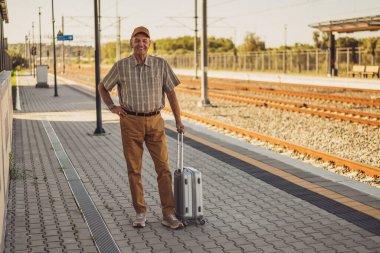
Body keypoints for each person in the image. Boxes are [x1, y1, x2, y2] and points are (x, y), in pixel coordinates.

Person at [98, 26, 184, 229]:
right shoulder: (121, 66)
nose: (141, 44)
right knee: (134, 169)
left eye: (145, 40)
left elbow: (171, 94)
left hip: (155, 121)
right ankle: (140, 212)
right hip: (131, 122)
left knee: (164, 169)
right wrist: (112, 107)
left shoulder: (161, 65)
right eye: (137, 40)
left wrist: (179, 121)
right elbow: (103, 87)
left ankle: (169, 214)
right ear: (131, 42)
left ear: (149, 43)